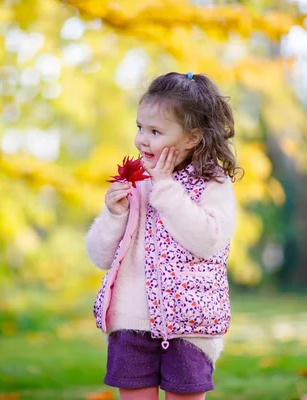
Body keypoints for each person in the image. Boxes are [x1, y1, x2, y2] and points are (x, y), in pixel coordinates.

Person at [86, 72, 239, 400]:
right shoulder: (135, 182)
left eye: (155, 131)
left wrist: (167, 186)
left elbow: (208, 241)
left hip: (189, 324)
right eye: (140, 127)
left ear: (192, 138)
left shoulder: (213, 183)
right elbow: (100, 256)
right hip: (131, 321)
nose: (143, 139)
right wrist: (115, 215)